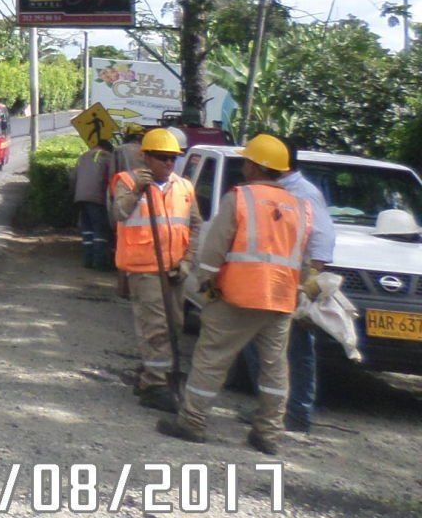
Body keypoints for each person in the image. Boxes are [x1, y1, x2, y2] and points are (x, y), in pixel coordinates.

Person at [162, 134, 315, 455]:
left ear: (256, 166)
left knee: (212, 359)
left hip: (237, 296)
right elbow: (302, 258)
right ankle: (268, 434)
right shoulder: (301, 207)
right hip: (281, 300)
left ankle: (192, 421)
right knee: (274, 367)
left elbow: (214, 247)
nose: (243, 165)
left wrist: (206, 281)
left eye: (247, 161)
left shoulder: (241, 198)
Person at [241, 142, 335, 433]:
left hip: (293, 282)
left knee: (295, 350)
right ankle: (273, 411)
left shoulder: (302, 193)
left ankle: (295, 414)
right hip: (270, 281)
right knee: (265, 348)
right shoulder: (280, 191)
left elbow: (322, 240)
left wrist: (309, 283)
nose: (245, 168)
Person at [111, 128, 200, 411]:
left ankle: (158, 374)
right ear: (145, 158)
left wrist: (187, 261)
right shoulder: (127, 181)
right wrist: (138, 189)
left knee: (174, 326)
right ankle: (155, 383)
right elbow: (118, 214)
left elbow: (195, 225)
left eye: (173, 158)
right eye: (162, 158)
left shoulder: (184, 187)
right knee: (155, 328)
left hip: (174, 269)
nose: (168, 164)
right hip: (144, 269)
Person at [73, 136, 116, 270]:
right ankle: (100, 263)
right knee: (100, 230)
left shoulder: (83, 156)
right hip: (97, 198)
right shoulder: (107, 157)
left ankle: (88, 260)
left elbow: (72, 177)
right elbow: (112, 177)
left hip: (80, 197)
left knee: (87, 230)